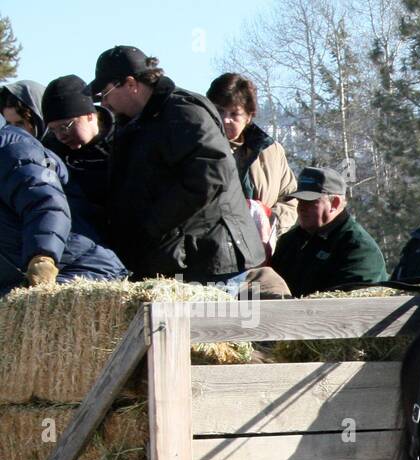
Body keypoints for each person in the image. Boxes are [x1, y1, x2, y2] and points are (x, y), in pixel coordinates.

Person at [89, 46, 265, 283]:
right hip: (177, 258)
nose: (105, 103)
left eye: (106, 93)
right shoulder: (135, 123)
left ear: (131, 84)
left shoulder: (183, 113)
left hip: (212, 260)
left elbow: (211, 175)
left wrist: (152, 224)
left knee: (208, 321)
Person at [1, 81, 127, 294]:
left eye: (22, 123)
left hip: (78, 268)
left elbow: (46, 203)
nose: (19, 130)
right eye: (10, 122)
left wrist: (42, 256)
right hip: (32, 270)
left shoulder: (15, 151)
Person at [205, 73, 297, 249]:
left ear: (248, 116)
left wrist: (270, 220)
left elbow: (290, 197)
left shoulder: (270, 151)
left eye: (234, 113)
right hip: (209, 251)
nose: (225, 119)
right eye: (219, 111)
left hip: (258, 250)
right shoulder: (194, 148)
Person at [271, 166, 387, 296]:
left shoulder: (359, 249)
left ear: (335, 203)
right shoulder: (290, 242)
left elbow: (352, 304)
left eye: (310, 201)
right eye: (299, 201)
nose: (301, 207)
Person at [41, 75, 115, 238]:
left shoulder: (125, 140)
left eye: (65, 126)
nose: (61, 136)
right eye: (53, 130)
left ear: (90, 115)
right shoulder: (49, 153)